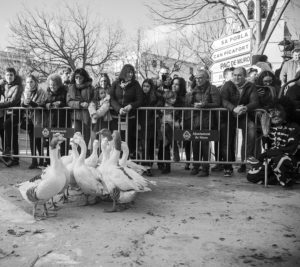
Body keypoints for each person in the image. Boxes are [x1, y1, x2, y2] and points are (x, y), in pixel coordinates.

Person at [247, 97, 300, 187]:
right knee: (251, 176)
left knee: (281, 161)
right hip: (272, 160)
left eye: (277, 111)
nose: (273, 115)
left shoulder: (294, 127)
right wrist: (265, 135)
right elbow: (267, 147)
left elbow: (291, 149)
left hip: (289, 160)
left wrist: (269, 153)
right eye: (271, 112)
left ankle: (286, 176)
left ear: (286, 112)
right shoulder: (270, 127)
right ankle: (282, 178)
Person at [221, 67, 259, 174]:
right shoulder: (228, 85)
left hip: (243, 115)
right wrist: (234, 108)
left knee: (251, 127)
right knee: (227, 141)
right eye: (235, 75)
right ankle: (228, 167)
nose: (236, 77)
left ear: (245, 76)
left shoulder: (250, 86)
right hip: (228, 115)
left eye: (239, 75)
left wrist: (245, 108)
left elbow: (255, 101)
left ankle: (245, 160)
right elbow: (223, 100)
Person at [185, 70, 221, 177]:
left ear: (206, 78)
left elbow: (217, 103)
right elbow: (188, 104)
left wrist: (204, 105)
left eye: (201, 77)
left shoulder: (212, 88)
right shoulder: (194, 89)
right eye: (196, 78)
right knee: (195, 143)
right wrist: (192, 101)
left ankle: (205, 168)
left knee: (205, 144)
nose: (198, 80)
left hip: (208, 121)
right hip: (196, 120)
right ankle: (196, 166)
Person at [109, 64, 144, 157]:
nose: (131, 74)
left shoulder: (136, 84)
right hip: (116, 118)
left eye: (132, 72)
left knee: (127, 141)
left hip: (130, 118)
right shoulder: (115, 83)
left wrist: (131, 105)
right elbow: (111, 98)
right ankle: (115, 160)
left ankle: (127, 161)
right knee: (116, 140)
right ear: (124, 72)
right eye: (129, 72)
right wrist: (118, 109)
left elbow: (140, 100)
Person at [139, 78, 163, 176]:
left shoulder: (155, 96)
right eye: (144, 86)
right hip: (142, 123)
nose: (145, 88)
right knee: (144, 146)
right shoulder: (140, 96)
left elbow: (161, 101)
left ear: (151, 87)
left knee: (151, 146)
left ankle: (149, 165)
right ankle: (145, 166)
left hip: (152, 123)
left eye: (147, 86)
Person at [21, 74, 46, 169]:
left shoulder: (41, 91)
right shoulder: (25, 92)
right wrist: (24, 103)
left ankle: (41, 160)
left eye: (31, 81)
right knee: (32, 140)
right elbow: (21, 104)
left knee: (39, 140)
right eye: (27, 82)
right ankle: (34, 160)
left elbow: (42, 103)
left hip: (39, 119)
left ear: (35, 82)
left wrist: (31, 102)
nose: (29, 84)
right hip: (29, 118)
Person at [67, 68, 95, 153]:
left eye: (80, 78)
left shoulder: (90, 87)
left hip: (87, 115)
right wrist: (79, 104)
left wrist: (88, 103)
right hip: (76, 115)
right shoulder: (71, 87)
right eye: (76, 77)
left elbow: (94, 99)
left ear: (84, 78)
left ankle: (84, 155)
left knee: (86, 137)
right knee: (77, 137)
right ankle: (77, 156)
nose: (78, 79)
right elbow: (69, 101)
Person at [0, 67, 23, 167]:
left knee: (7, 125)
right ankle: (13, 158)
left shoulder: (18, 86)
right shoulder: (4, 86)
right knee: (13, 135)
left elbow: (12, 101)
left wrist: (0, 105)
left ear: (14, 76)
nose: (9, 77)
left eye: (11, 75)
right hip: (7, 113)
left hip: (16, 113)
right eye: (7, 75)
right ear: (5, 76)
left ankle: (8, 149)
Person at [45, 74, 69, 159]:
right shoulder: (47, 92)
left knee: (63, 143)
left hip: (63, 120)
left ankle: (63, 160)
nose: (52, 86)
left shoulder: (65, 91)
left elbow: (68, 102)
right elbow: (44, 102)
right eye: (50, 84)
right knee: (51, 142)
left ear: (59, 84)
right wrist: (48, 104)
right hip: (52, 120)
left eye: (54, 85)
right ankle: (50, 161)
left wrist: (61, 104)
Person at [158, 90, 177, 174]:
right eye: (172, 98)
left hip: (170, 128)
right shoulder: (164, 108)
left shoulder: (173, 108)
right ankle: (167, 165)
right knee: (165, 147)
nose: (174, 100)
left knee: (166, 146)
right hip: (164, 128)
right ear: (167, 99)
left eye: (174, 98)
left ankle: (167, 166)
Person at [171, 77, 187, 164]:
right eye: (173, 84)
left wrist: (180, 120)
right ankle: (175, 152)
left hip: (181, 121)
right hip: (170, 120)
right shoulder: (169, 95)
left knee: (185, 141)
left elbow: (184, 110)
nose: (174, 86)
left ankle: (188, 162)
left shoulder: (185, 97)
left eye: (177, 84)